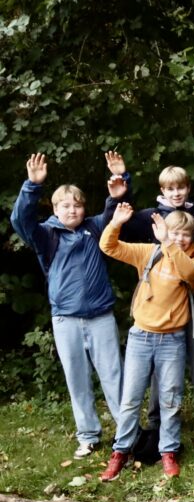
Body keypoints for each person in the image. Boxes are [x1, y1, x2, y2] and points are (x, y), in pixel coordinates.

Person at [10, 153, 127, 459]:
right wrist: (32, 186)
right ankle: (88, 435)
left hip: (100, 316)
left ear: (83, 207)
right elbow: (19, 220)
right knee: (77, 379)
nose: (72, 209)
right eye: (65, 205)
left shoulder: (95, 228)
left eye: (76, 204)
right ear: (55, 209)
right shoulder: (45, 235)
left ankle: (126, 434)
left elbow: (115, 215)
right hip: (65, 319)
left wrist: (120, 185)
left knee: (114, 376)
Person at [98, 207, 194, 480]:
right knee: (131, 399)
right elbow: (108, 246)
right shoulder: (149, 253)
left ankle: (168, 452)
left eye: (184, 234)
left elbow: (189, 274)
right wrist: (116, 223)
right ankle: (120, 451)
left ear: (191, 238)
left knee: (171, 400)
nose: (179, 238)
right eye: (174, 232)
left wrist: (168, 242)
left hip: (173, 340)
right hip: (140, 337)